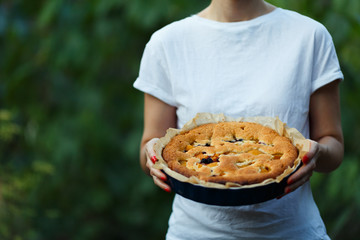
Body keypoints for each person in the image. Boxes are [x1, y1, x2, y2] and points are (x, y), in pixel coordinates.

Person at [134, 0, 344, 239]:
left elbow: (333, 145)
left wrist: (316, 154)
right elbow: (149, 146)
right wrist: (152, 156)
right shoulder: (166, 43)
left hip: (292, 232)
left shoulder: (310, 36)